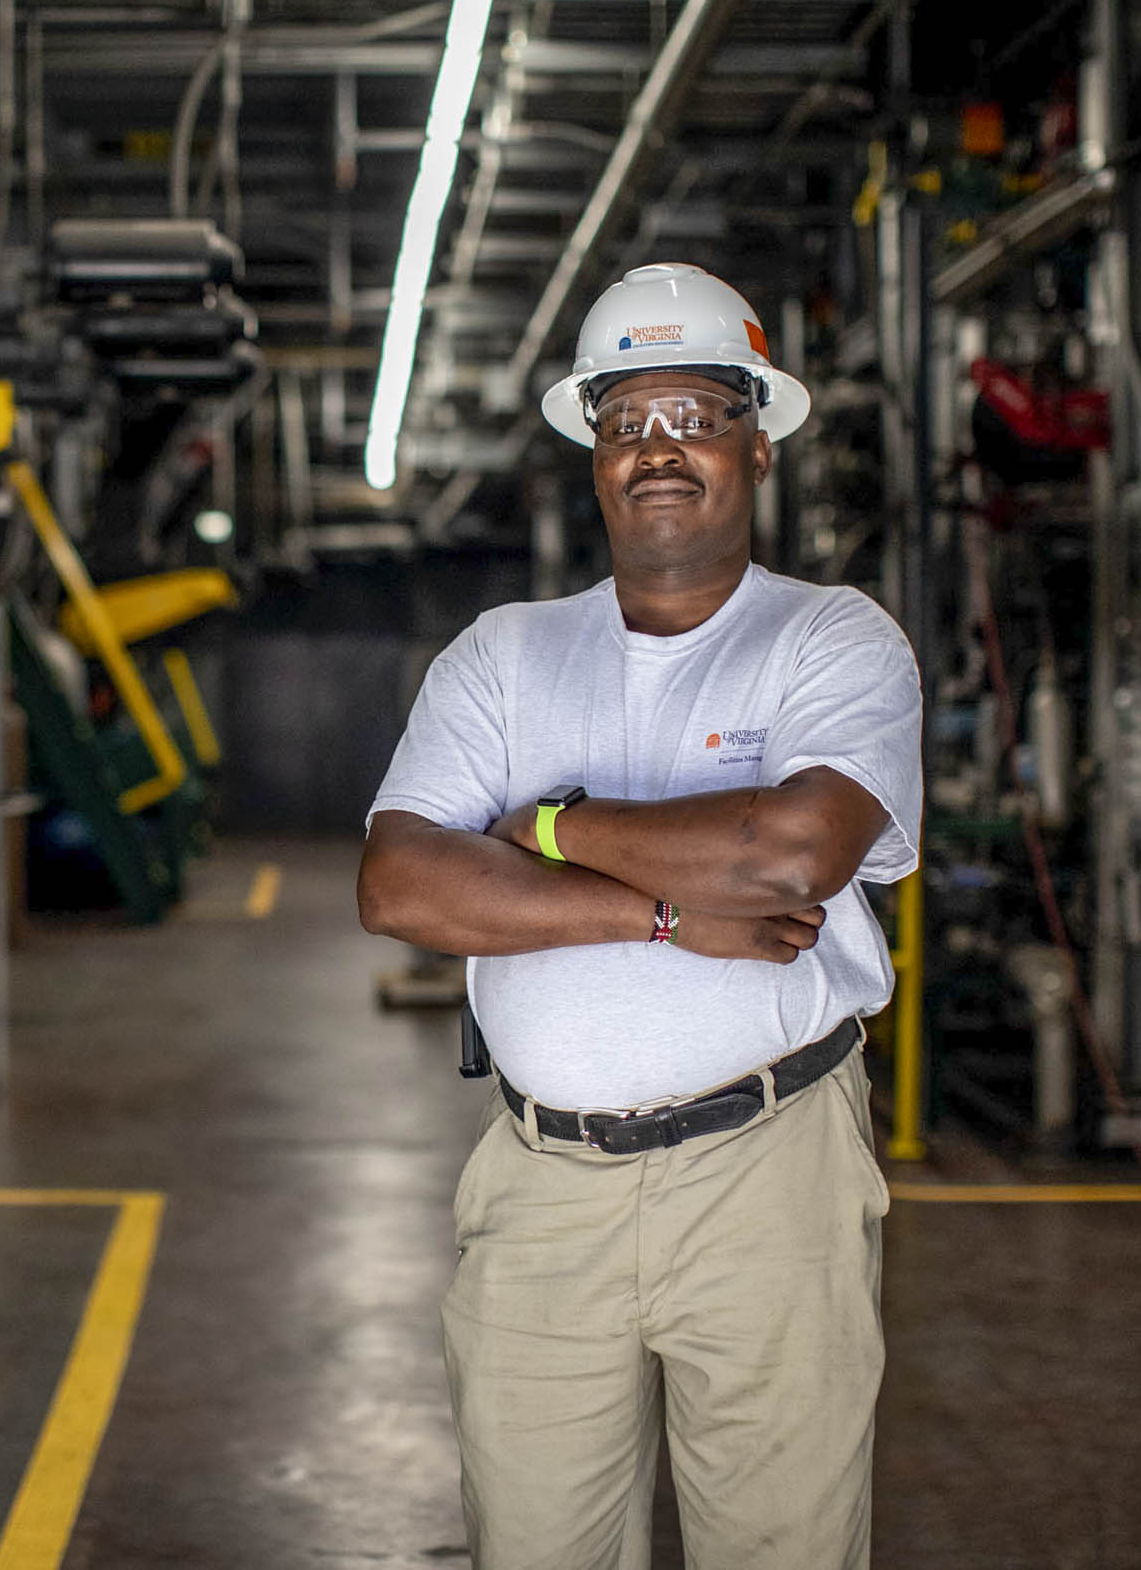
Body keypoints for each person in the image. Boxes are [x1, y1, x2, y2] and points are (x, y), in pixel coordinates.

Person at [357, 263, 923, 1570]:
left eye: (695, 417)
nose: (658, 451)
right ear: (594, 456)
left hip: (769, 1178)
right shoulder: (502, 655)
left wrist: (545, 824)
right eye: (628, 424)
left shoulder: (833, 641)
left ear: (758, 445)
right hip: (543, 1187)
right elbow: (401, 884)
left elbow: (790, 855)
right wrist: (669, 917)